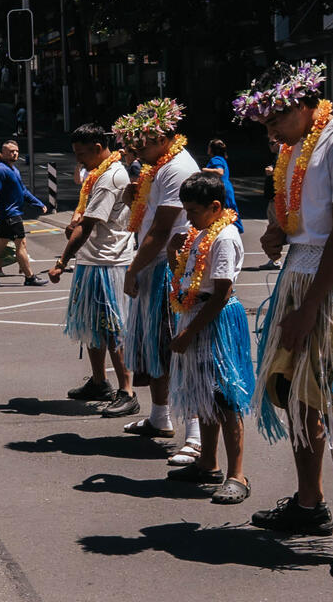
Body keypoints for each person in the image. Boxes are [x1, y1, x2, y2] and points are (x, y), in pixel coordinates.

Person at [235, 61, 333, 578]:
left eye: (273, 116)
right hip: (298, 274)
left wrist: (310, 308)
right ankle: (308, 504)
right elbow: (294, 216)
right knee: (297, 396)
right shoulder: (291, 147)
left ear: (303, 103)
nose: (268, 128)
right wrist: (276, 235)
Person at [166, 172, 255, 504]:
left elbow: (220, 293)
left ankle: (237, 474)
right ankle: (208, 463)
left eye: (192, 211)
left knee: (224, 397)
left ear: (215, 207)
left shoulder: (225, 237)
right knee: (204, 394)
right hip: (196, 312)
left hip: (214, 319)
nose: (188, 217)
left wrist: (189, 332)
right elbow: (191, 277)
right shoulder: (200, 233)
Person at [115, 100, 200, 441]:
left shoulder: (176, 167)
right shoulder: (157, 167)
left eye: (142, 143)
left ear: (164, 137)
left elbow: (162, 229)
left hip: (169, 267)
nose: (137, 150)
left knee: (174, 348)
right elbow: (148, 216)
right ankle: (159, 417)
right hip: (157, 265)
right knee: (156, 347)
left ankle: (195, 434)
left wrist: (132, 270)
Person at [48, 124, 137, 416]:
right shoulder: (96, 174)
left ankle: (127, 391)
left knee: (113, 328)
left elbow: (87, 226)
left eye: (82, 154)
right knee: (92, 325)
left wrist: (61, 262)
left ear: (99, 148)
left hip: (108, 261)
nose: (79, 160)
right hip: (93, 259)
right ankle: (99, 381)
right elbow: (82, 212)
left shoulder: (110, 177)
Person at [0, 140, 47, 286]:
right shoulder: (0, 170)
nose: (14, 153)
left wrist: (38, 203)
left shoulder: (13, 169)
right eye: (11, 151)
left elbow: (23, 191)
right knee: (20, 244)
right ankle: (29, 277)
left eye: (16, 151)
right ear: (4, 153)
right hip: (10, 215)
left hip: (10, 214)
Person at [203, 139, 242, 230]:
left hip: (221, 188)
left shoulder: (215, 159)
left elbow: (220, 172)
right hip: (226, 187)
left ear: (212, 149)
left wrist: (204, 170)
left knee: (224, 211)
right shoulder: (221, 159)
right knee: (229, 210)